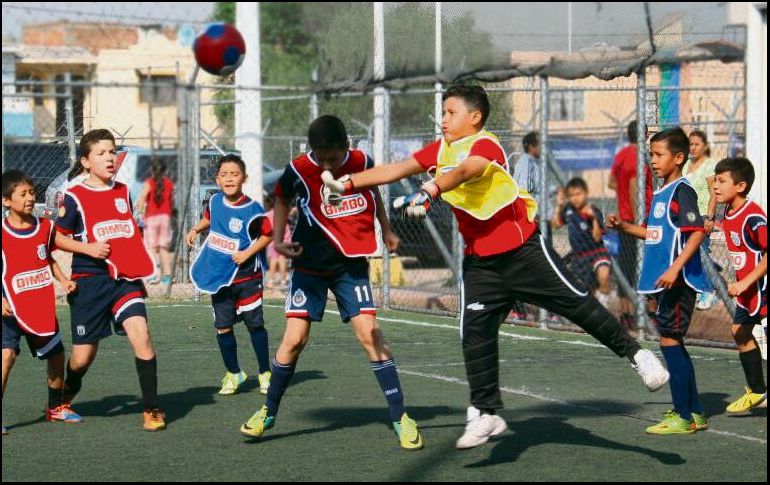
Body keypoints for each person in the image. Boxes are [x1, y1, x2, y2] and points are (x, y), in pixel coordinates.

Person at [324, 84, 669, 449]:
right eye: (442, 113)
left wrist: (431, 189)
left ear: (475, 117)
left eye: (451, 112)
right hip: (481, 264)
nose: (443, 119)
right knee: (474, 332)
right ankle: (486, 412)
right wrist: (347, 183)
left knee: (579, 305)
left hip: (523, 252)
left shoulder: (486, 145)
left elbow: (465, 172)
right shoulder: (440, 149)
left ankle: (638, 355)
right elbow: (396, 169)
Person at [239, 115, 424, 451]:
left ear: (346, 147)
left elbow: (374, 193)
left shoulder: (361, 162)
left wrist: (387, 229)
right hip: (309, 265)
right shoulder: (298, 169)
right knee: (294, 340)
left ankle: (400, 416)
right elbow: (281, 200)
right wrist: (278, 240)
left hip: (349, 265)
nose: (327, 164)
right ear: (311, 150)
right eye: (320, 156)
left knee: (370, 334)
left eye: (333, 157)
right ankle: (268, 410)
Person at [55, 129, 165, 431]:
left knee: (141, 334)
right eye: (101, 153)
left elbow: (127, 234)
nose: (109, 158)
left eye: (112, 152)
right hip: (89, 281)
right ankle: (64, 394)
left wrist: (138, 262)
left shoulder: (123, 191)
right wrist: (88, 248)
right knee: (82, 357)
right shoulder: (74, 196)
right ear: (85, 161)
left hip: (123, 281)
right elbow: (58, 238)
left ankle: (152, 408)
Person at [608, 127, 708, 434]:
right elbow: (655, 234)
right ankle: (694, 411)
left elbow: (696, 232)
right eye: (650, 154)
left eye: (658, 154)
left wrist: (675, 268)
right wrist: (624, 227)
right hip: (666, 282)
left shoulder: (682, 191)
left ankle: (683, 416)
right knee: (673, 342)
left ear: (678, 158)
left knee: (669, 341)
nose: (652, 160)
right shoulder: (662, 193)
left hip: (678, 283)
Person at [2, 170, 91, 435]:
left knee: (56, 354)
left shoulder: (44, 227)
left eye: (31, 192)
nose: (30, 198)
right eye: (22, 194)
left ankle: (55, 407)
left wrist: (63, 280)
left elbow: (46, 256)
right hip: (9, 307)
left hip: (38, 305)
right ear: (6, 200)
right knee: (6, 356)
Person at [187, 154, 273, 396]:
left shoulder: (252, 209)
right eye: (224, 175)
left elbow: (268, 234)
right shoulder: (215, 201)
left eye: (234, 174)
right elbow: (209, 218)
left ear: (244, 178)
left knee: (254, 325)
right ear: (217, 179)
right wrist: (195, 229)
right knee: (223, 327)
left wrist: (247, 253)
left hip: (247, 278)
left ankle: (265, 372)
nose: (229, 179)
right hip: (220, 277)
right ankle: (234, 373)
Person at [712, 157, 767, 413]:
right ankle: (758, 392)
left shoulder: (753, 216)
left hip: (762, 289)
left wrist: (745, 281)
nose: (715, 186)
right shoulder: (727, 211)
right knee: (740, 332)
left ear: (741, 186)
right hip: (748, 293)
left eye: (722, 181)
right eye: (715, 180)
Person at [609, 120, 653, 328]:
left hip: (624, 219)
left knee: (626, 266)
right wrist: (638, 219)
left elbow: (612, 182)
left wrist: (623, 196)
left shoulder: (622, 154)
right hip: (638, 220)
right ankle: (650, 314)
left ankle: (626, 314)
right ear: (644, 135)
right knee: (648, 265)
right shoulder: (639, 155)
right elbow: (635, 184)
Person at [551, 177, 613, 306]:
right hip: (580, 257)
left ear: (585, 193)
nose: (575, 198)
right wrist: (559, 206)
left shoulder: (593, 210)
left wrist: (593, 219)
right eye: (571, 195)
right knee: (587, 292)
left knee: (604, 275)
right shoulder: (568, 210)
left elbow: (597, 238)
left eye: (578, 194)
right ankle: (594, 309)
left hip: (597, 252)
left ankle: (604, 305)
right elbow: (556, 225)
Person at [684, 130, 719, 310]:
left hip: (703, 215)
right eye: (690, 144)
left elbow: (714, 192)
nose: (693, 148)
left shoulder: (709, 165)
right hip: (687, 216)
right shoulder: (686, 164)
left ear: (704, 146)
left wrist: (710, 217)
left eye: (697, 144)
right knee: (691, 253)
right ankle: (701, 285)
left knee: (701, 253)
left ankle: (709, 292)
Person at [136, 158, 175, 286]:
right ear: (165, 170)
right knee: (164, 247)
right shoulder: (169, 183)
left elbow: (142, 199)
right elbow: (171, 202)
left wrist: (140, 211)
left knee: (151, 247)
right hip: (165, 217)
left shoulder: (149, 182)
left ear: (152, 170)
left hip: (151, 217)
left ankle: (155, 273)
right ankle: (167, 276)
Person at [264, 194, 292, 288]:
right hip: (284, 240)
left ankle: (271, 280)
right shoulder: (282, 213)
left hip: (272, 240)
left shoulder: (267, 215)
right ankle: (283, 280)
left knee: (273, 260)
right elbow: (287, 226)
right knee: (282, 259)